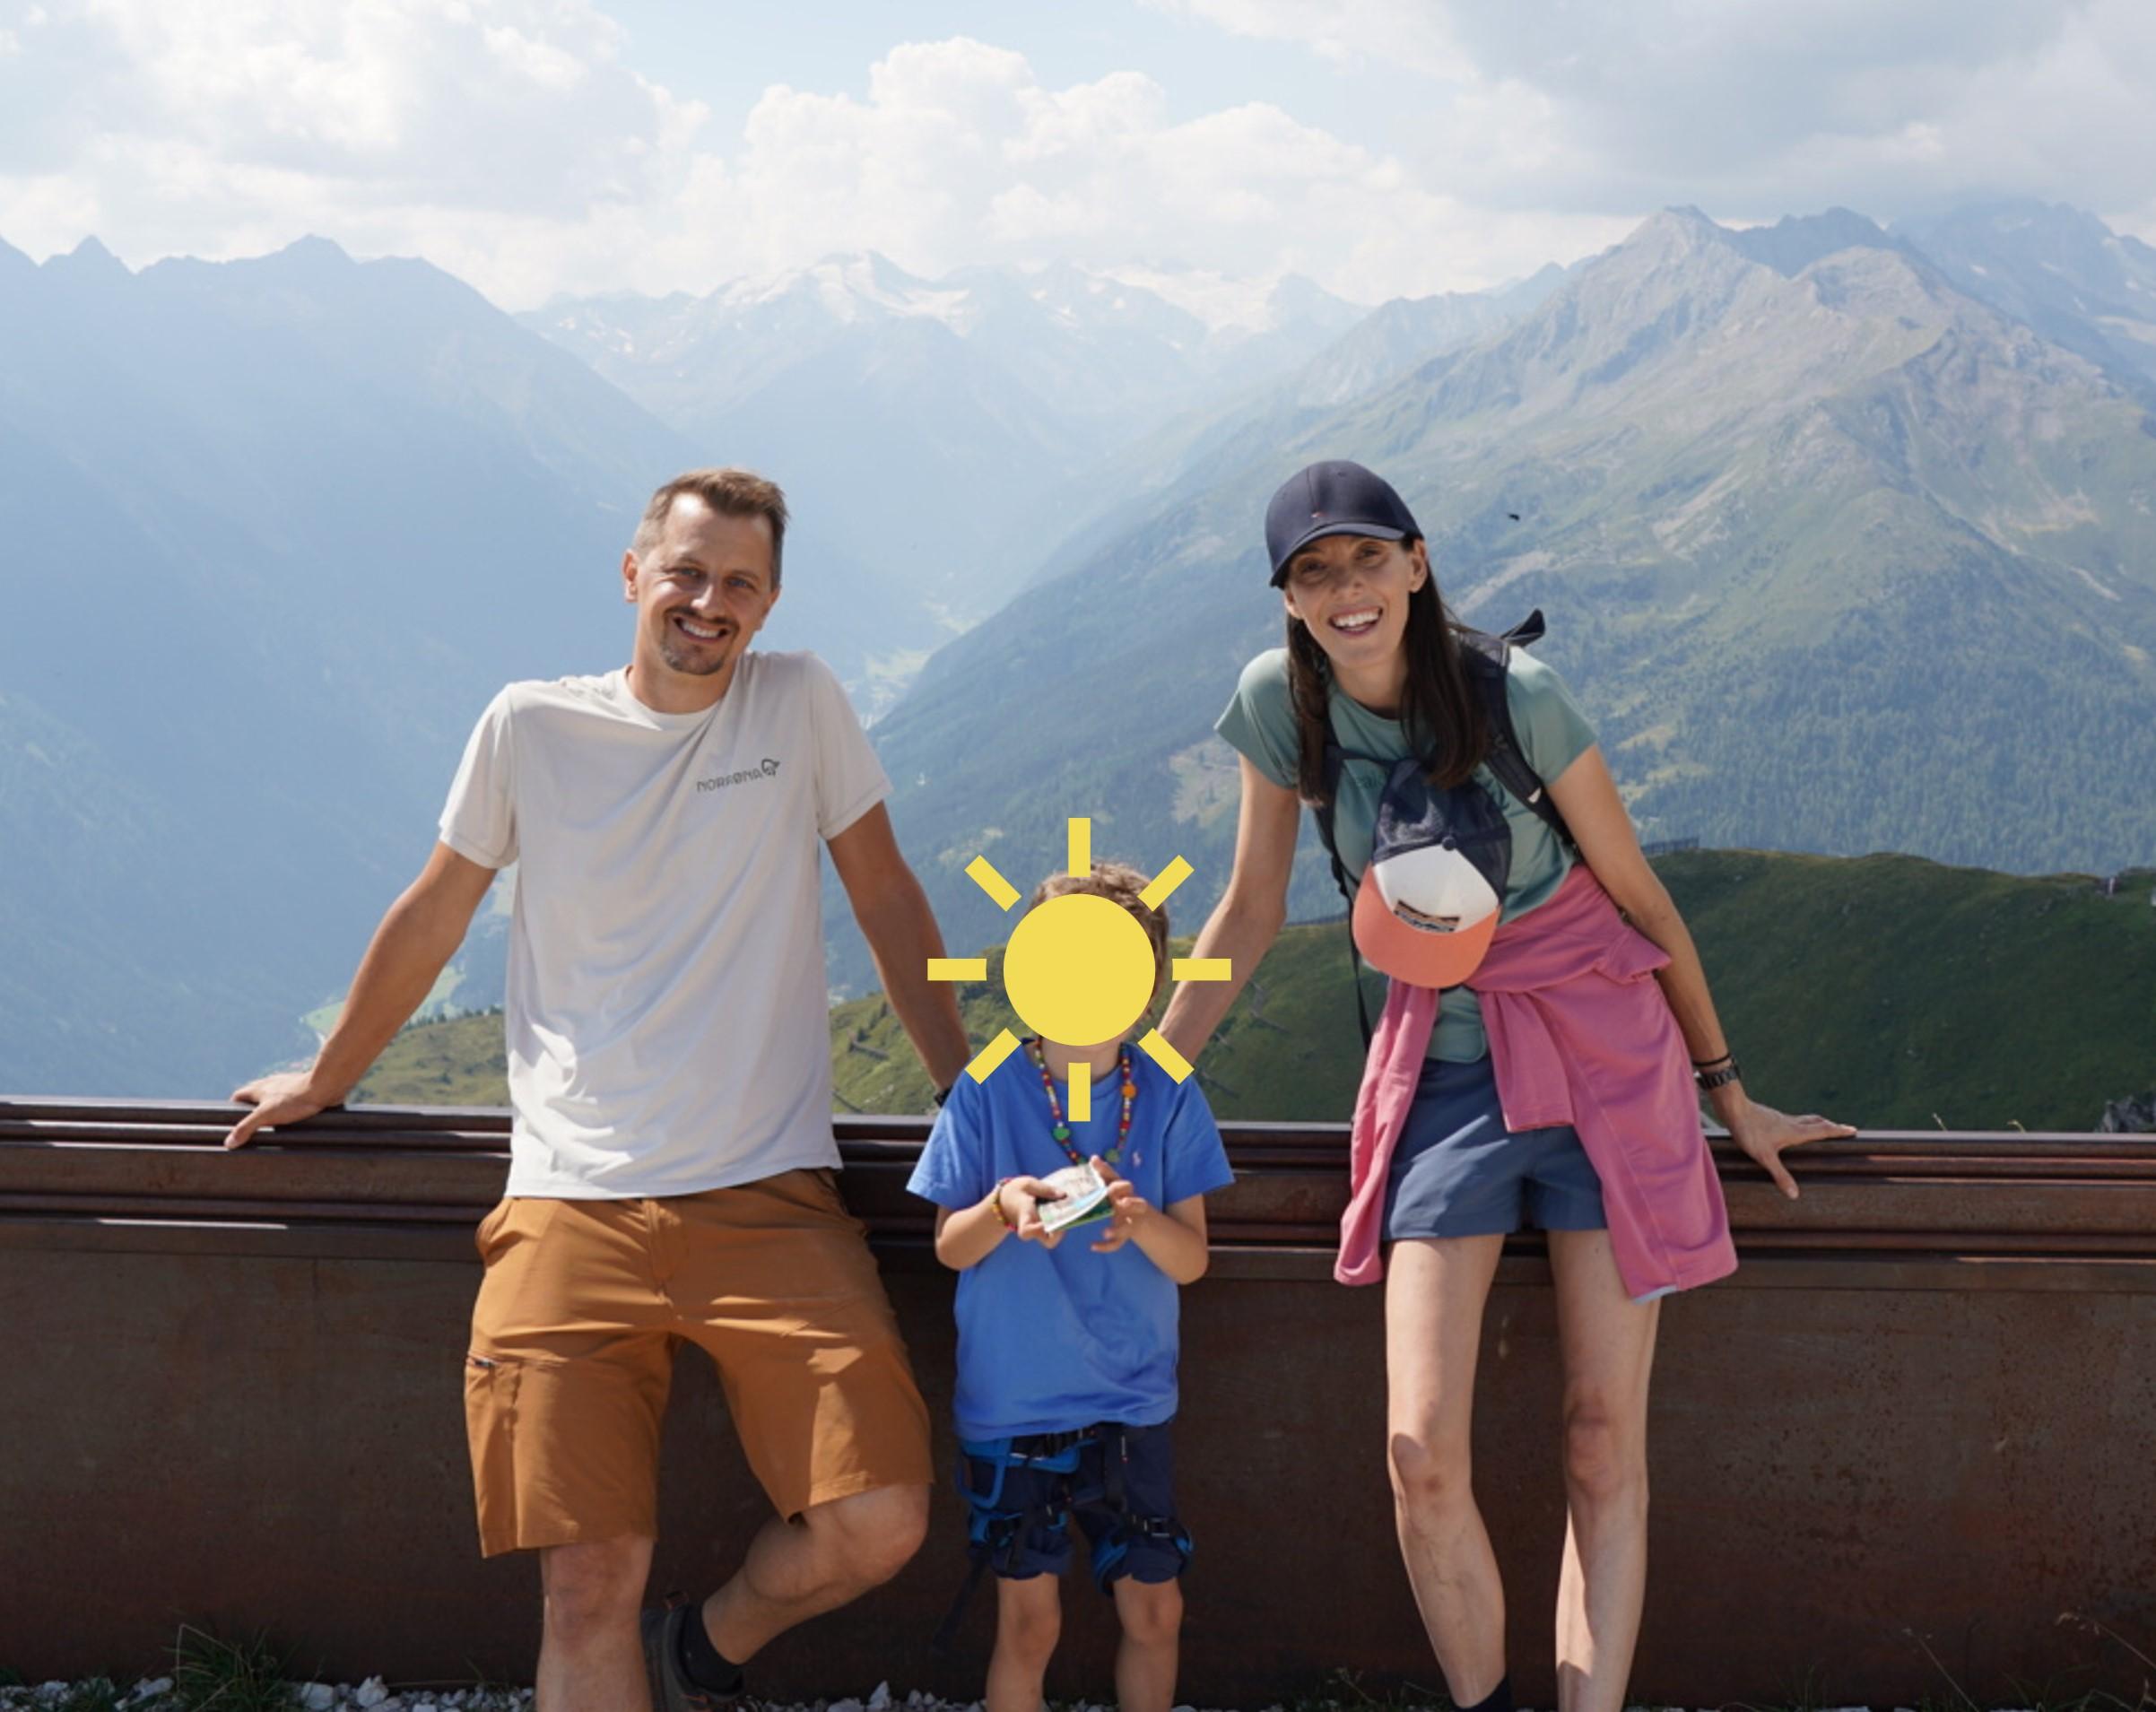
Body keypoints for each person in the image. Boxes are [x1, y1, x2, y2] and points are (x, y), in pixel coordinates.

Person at [225, 468, 973, 1712]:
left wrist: (965, 1088)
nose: (708, 601)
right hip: (570, 1198)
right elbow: (434, 910)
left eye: (739, 582)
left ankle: (702, 1653)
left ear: (771, 601)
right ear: (634, 575)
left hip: (769, 1195)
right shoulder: (529, 725)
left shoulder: (802, 706)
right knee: (583, 1585)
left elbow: (887, 896)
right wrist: (333, 1072)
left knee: (880, 1520)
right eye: (685, 571)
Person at [1156, 461, 1853, 1712]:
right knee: (1417, 1448)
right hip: (1446, 1072)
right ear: (1290, 601)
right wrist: (1145, 1080)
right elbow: (1249, 910)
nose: (1345, 588)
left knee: (1600, 1437)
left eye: (1367, 558)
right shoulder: (1282, 701)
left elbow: (1641, 897)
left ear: (1418, 564)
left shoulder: (1518, 694)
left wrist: (1728, 1091)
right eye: (1314, 572)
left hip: (1602, 1057)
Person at [907, 861, 1235, 1712]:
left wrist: (1140, 1221)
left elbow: (1191, 1257)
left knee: (1156, 1608)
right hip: (1015, 1407)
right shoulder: (984, 1091)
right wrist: (1006, 1201)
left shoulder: (1166, 1094)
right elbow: (949, 1244)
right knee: (1029, 1625)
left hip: (1131, 1403)